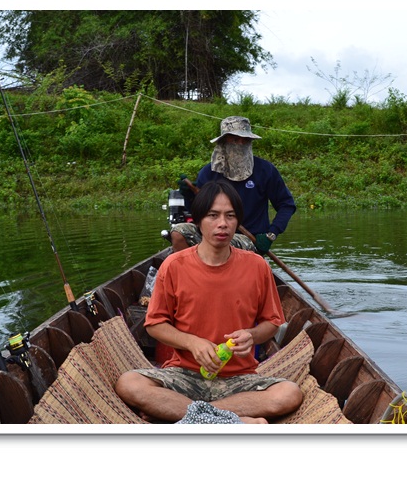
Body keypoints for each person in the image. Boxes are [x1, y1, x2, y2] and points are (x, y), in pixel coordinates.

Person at [115, 180, 303, 424]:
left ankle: (191, 414)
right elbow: (155, 324)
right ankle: (236, 421)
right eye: (213, 215)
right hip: (184, 374)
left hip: (239, 379)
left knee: (288, 394)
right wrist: (192, 343)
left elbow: (272, 323)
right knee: (129, 383)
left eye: (230, 216)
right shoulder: (174, 265)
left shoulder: (256, 266)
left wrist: (251, 335)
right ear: (199, 220)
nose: (222, 224)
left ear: (238, 221)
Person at [171, 115, 296, 254]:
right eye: (235, 140)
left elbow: (287, 204)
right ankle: (188, 273)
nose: (241, 144)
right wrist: (189, 197)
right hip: (213, 233)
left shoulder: (265, 170)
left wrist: (271, 234)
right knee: (179, 232)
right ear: (224, 142)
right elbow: (197, 213)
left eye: (245, 140)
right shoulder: (209, 172)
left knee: (224, 243)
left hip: (248, 239)